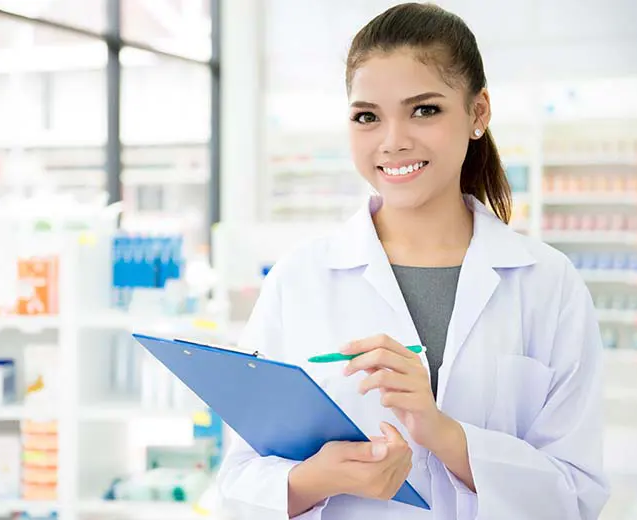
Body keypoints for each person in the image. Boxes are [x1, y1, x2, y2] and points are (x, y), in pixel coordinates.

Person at [216, 3, 609, 519]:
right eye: (367, 116)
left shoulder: (548, 284)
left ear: (478, 113)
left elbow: (576, 496)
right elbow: (238, 483)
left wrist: (442, 434)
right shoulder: (300, 280)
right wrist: (319, 478)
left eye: (424, 109)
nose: (393, 140)